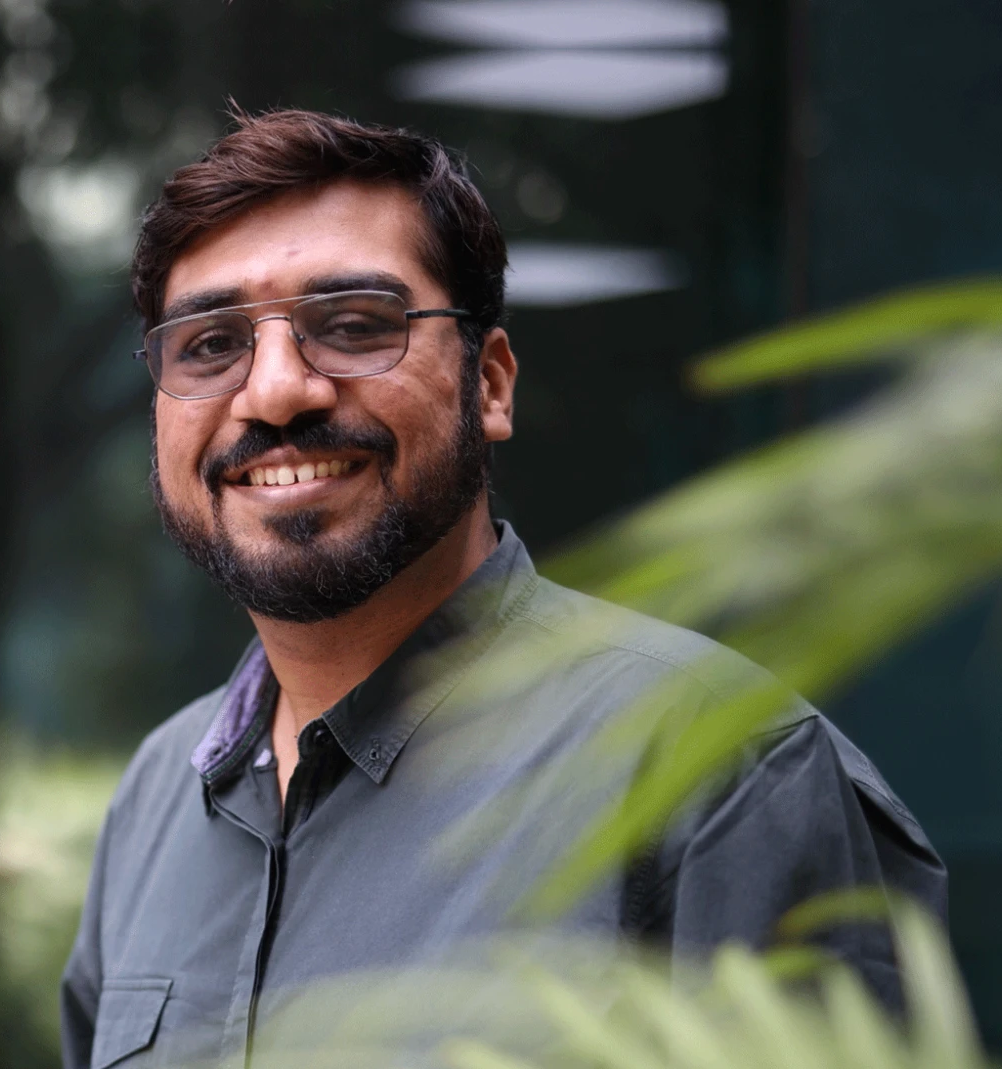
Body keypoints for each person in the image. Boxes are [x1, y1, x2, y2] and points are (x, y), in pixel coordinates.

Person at [59, 109, 946, 1069]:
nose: (275, 392)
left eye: (354, 325)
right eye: (210, 345)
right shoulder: (157, 795)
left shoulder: (717, 772)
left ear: (489, 383)